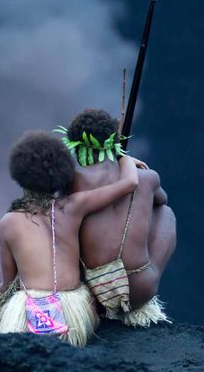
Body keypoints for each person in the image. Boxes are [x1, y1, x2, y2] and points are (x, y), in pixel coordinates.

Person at [0, 131, 139, 372]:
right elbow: (130, 184)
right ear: (60, 174)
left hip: (27, 315)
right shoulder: (74, 206)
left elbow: (9, 285)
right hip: (75, 314)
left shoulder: (8, 223)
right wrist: (124, 159)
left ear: (21, 176)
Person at [64, 109, 176, 327]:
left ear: (76, 147)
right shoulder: (147, 178)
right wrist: (127, 164)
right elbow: (162, 200)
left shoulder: (73, 181)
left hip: (94, 293)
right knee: (165, 212)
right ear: (114, 144)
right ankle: (137, 283)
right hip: (140, 289)